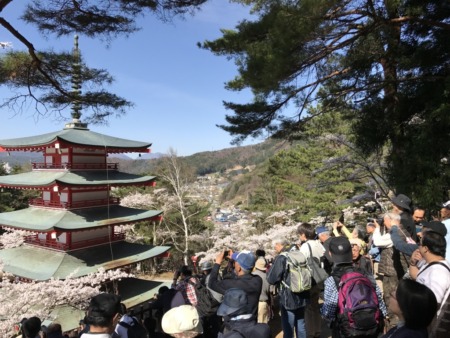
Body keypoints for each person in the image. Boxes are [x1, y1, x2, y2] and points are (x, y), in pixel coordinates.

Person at [321, 237, 386, 338]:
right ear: (350, 252)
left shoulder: (332, 280)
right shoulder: (366, 274)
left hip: (347, 330)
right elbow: (380, 302)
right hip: (372, 326)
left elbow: (329, 312)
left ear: (330, 254)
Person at [267, 237, 309, 338]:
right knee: (301, 325)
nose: (275, 249)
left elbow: (271, 279)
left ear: (278, 245)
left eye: (275, 246)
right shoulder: (299, 253)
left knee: (288, 327)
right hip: (303, 294)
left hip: (288, 298)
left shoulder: (282, 257)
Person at [208, 250, 262, 319]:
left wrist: (217, 263)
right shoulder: (258, 280)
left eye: (235, 262)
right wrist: (233, 257)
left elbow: (212, 283)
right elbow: (238, 276)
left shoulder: (231, 284)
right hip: (252, 322)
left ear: (239, 268)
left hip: (235, 326)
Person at [409, 230, 450, 305]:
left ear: (425, 249)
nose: (418, 247)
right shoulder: (428, 263)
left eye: (419, 244)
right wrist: (413, 263)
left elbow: (433, 302)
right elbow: (417, 277)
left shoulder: (438, 272)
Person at [298, 222, 324, 338]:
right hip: (319, 279)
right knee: (315, 306)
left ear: (303, 234)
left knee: (308, 309)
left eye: (299, 234)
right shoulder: (319, 244)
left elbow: (300, 262)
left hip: (310, 280)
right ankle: (317, 331)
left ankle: (311, 333)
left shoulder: (305, 246)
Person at [252, 257, 271, 324]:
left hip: (253, 303)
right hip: (263, 302)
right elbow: (271, 290)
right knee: (263, 323)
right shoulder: (267, 277)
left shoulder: (252, 276)